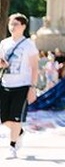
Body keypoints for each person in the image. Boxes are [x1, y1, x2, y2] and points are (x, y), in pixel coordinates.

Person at [0, 14, 39, 159]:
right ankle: (19, 132)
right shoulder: (4, 43)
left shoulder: (29, 45)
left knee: (15, 118)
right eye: (10, 23)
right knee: (4, 119)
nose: (12, 26)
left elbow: (35, 68)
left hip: (22, 86)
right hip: (5, 84)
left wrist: (32, 87)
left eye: (15, 23)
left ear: (23, 26)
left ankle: (12, 145)